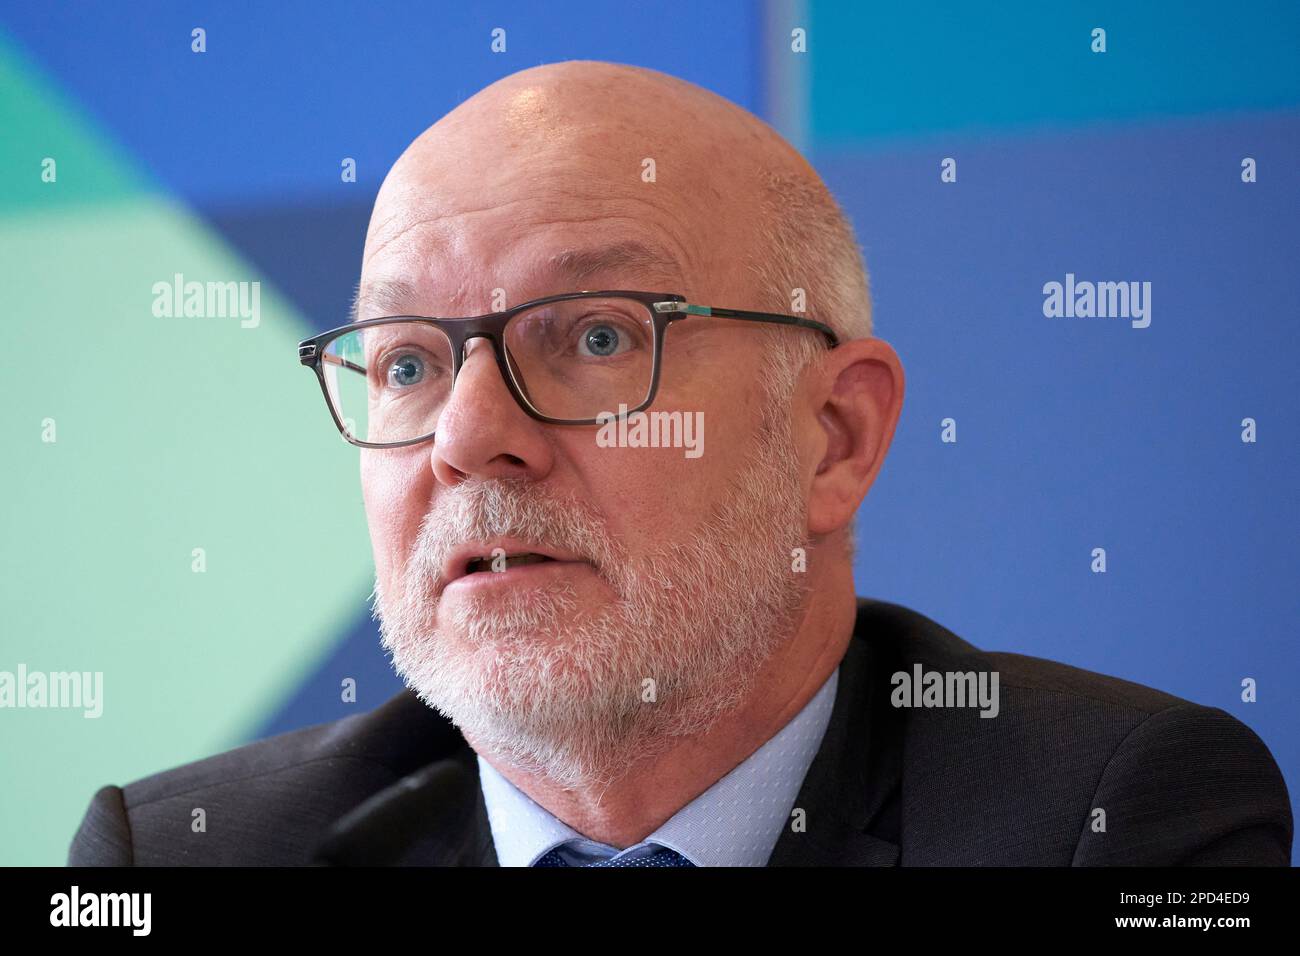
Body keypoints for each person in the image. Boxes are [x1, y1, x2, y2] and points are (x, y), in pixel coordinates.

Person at [69, 61, 1291, 867]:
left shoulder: (1112, 823)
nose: (463, 436)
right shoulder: (183, 853)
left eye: (597, 336)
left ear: (833, 437)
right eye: (403, 364)